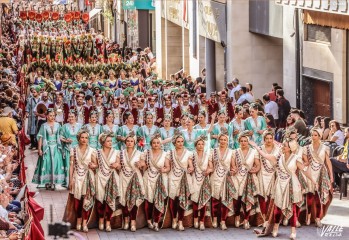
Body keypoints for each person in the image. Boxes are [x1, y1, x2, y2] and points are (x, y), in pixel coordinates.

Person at [251, 138, 317, 240]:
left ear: (290, 148)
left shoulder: (296, 158)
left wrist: (313, 181)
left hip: (291, 184)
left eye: (285, 146)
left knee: (293, 208)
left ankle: (293, 231)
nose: (282, 147)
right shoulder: (278, 157)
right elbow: (266, 156)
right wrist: (256, 147)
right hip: (280, 185)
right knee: (277, 207)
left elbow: (304, 170)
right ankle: (276, 227)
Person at [65, 128, 97, 232]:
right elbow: (71, 166)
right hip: (77, 178)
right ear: (78, 138)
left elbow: (96, 165)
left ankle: (84, 223)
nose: (84, 140)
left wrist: (94, 165)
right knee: (77, 202)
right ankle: (78, 220)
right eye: (82, 137)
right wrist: (70, 181)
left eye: (86, 138)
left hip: (88, 177)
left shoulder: (92, 150)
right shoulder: (73, 150)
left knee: (86, 201)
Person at [302, 128, 333, 227]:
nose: (313, 137)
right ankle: (308, 216)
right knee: (310, 195)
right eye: (312, 135)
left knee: (319, 196)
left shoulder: (325, 148)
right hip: (310, 172)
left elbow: (328, 162)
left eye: (316, 135)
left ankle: (318, 218)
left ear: (319, 136)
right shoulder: (306, 148)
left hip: (321, 172)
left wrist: (331, 176)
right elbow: (305, 162)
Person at [231, 131, 260, 230]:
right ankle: (237, 216)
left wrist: (254, 170)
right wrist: (234, 170)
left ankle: (247, 219)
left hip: (249, 177)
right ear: (239, 142)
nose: (243, 143)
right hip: (238, 177)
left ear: (248, 142)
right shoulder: (235, 152)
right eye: (241, 141)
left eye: (245, 141)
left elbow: (257, 164)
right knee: (238, 198)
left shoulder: (253, 151)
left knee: (248, 198)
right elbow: (233, 165)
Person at [141, 134, 170, 231]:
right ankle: (149, 221)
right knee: (148, 201)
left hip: (160, 179)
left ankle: (156, 222)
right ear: (151, 144)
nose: (156, 144)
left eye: (158, 143)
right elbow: (144, 166)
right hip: (148, 178)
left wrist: (164, 170)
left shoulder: (165, 154)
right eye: (154, 143)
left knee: (159, 200)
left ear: (160, 144)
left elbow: (168, 167)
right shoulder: (146, 152)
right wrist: (141, 165)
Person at [117, 132, 144, 232]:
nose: (129, 143)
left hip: (135, 178)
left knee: (134, 200)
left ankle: (133, 222)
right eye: (127, 141)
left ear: (135, 142)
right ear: (125, 142)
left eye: (131, 141)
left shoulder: (139, 153)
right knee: (124, 199)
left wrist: (141, 164)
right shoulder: (120, 153)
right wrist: (116, 165)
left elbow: (144, 165)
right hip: (123, 177)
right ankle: (126, 220)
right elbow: (119, 165)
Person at [167, 132, 193, 231]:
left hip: (184, 178)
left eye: (182, 141)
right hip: (172, 178)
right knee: (173, 200)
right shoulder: (170, 153)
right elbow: (168, 166)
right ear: (174, 142)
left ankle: (180, 221)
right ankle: (174, 219)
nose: (180, 143)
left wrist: (190, 169)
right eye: (178, 142)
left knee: (183, 200)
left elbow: (190, 166)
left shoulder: (188, 153)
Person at [32, 109, 64, 189]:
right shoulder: (44, 125)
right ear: (47, 116)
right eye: (50, 115)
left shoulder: (58, 125)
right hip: (47, 148)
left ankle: (54, 182)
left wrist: (66, 141)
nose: (52, 117)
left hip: (56, 147)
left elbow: (60, 136)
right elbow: (40, 137)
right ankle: (47, 182)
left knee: (56, 164)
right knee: (47, 164)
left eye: (53, 115)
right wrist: (39, 149)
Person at [95, 132, 120, 232]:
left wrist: (116, 165)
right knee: (100, 200)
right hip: (100, 177)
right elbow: (96, 165)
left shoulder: (116, 152)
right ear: (102, 142)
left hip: (112, 177)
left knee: (110, 201)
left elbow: (119, 165)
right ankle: (101, 220)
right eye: (108, 141)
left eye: (111, 141)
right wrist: (93, 166)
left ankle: (108, 221)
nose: (110, 142)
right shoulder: (97, 152)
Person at [256, 130, 280, 227]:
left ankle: (270, 219)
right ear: (264, 139)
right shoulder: (260, 149)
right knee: (261, 197)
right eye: (267, 138)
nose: (269, 140)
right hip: (262, 174)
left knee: (271, 197)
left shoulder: (278, 149)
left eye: (271, 138)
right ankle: (263, 218)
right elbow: (257, 163)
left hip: (273, 175)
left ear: (273, 139)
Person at [188, 135, 213, 231]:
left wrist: (208, 170)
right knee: (195, 200)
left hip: (204, 179)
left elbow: (211, 167)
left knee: (203, 201)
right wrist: (190, 168)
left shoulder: (208, 155)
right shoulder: (191, 155)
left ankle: (202, 221)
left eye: (202, 144)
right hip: (194, 178)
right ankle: (195, 220)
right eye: (199, 144)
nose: (201, 146)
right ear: (195, 145)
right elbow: (190, 166)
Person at [60, 110, 82, 186]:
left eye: (72, 116)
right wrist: (66, 140)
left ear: (75, 117)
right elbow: (60, 137)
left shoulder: (80, 126)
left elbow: (83, 136)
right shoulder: (64, 126)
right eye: (69, 117)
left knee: (77, 165)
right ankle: (68, 182)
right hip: (68, 148)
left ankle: (77, 182)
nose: (71, 118)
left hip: (77, 149)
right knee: (68, 165)